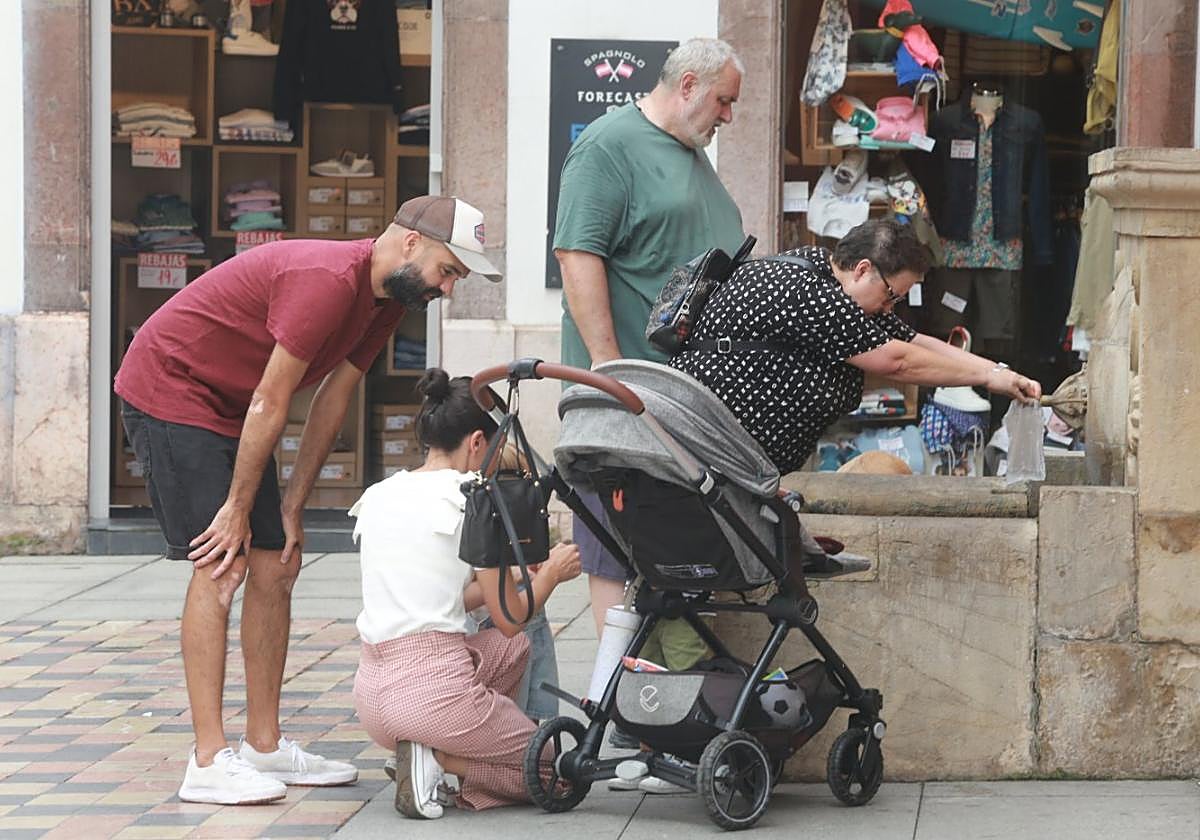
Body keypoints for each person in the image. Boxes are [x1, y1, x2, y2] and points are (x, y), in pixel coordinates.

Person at [114, 195, 501, 805]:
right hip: (172, 389)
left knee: (277, 562)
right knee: (223, 562)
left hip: (232, 407)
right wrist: (236, 509)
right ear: (410, 243)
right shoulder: (326, 281)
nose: (447, 289)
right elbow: (271, 399)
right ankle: (208, 760)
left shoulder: (385, 303)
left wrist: (292, 507)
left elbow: (332, 399)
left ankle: (263, 745)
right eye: (447, 271)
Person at [552, 38, 745, 711]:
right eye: (723, 101)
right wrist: (609, 375)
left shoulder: (690, 152)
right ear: (688, 85)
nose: (728, 117)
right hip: (628, 398)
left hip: (683, 403)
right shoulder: (609, 146)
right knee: (615, 553)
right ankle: (619, 715)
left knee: (676, 555)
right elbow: (577, 256)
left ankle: (665, 711)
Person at [350, 369, 582, 819]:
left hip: (372, 695)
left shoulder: (381, 493)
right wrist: (552, 574)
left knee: (513, 649)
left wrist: (509, 574)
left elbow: (439, 594)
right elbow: (512, 617)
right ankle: (439, 759)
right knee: (554, 770)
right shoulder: (474, 502)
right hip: (432, 695)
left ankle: (434, 751)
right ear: (477, 442)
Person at [668, 218, 1042, 480]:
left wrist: (998, 372)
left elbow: (911, 341)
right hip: (708, 449)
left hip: (730, 456)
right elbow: (897, 361)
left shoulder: (824, 272)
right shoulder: (810, 292)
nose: (890, 308)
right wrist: (986, 379)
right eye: (891, 295)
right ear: (863, 269)